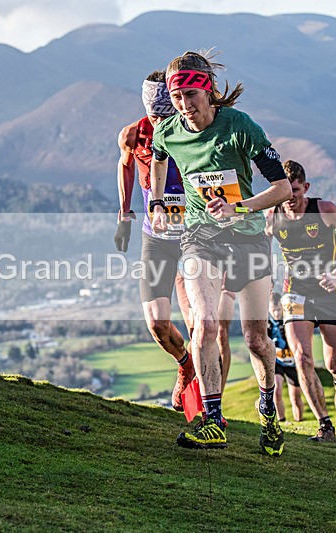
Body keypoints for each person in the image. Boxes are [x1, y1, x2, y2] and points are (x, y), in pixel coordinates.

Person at [151, 51, 292, 455]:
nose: (185, 106)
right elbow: (159, 157)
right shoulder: (169, 130)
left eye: (191, 95)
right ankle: (213, 419)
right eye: (177, 97)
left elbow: (281, 189)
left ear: (209, 90)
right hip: (201, 236)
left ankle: (268, 406)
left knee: (256, 339)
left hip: (248, 236)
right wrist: (158, 201)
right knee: (206, 324)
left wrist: (240, 207)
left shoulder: (240, 127)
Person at [114, 70, 197, 412]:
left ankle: (209, 407)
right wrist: (124, 216)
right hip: (157, 234)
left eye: (168, 115)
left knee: (200, 321)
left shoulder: (193, 132)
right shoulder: (132, 135)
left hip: (195, 236)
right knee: (157, 324)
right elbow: (126, 167)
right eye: (155, 115)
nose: (161, 121)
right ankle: (185, 363)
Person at [266, 160, 336, 442]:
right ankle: (325, 425)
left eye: (295, 191)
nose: (290, 198)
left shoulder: (324, 210)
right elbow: (260, 244)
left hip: (329, 292)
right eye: (284, 192)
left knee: (334, 362)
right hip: (294, 292)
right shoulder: (272, 215)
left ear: (305, 187)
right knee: (302, 357)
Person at [268, 292, 303, 422]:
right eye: (273, 310)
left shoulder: (290, 321)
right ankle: (281, 421)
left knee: (296, 397)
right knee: (276, 390)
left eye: (278, 310)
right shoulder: (267, 324)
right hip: (277, 361)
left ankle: (299, 421)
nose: (276, 314)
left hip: (292, 362)